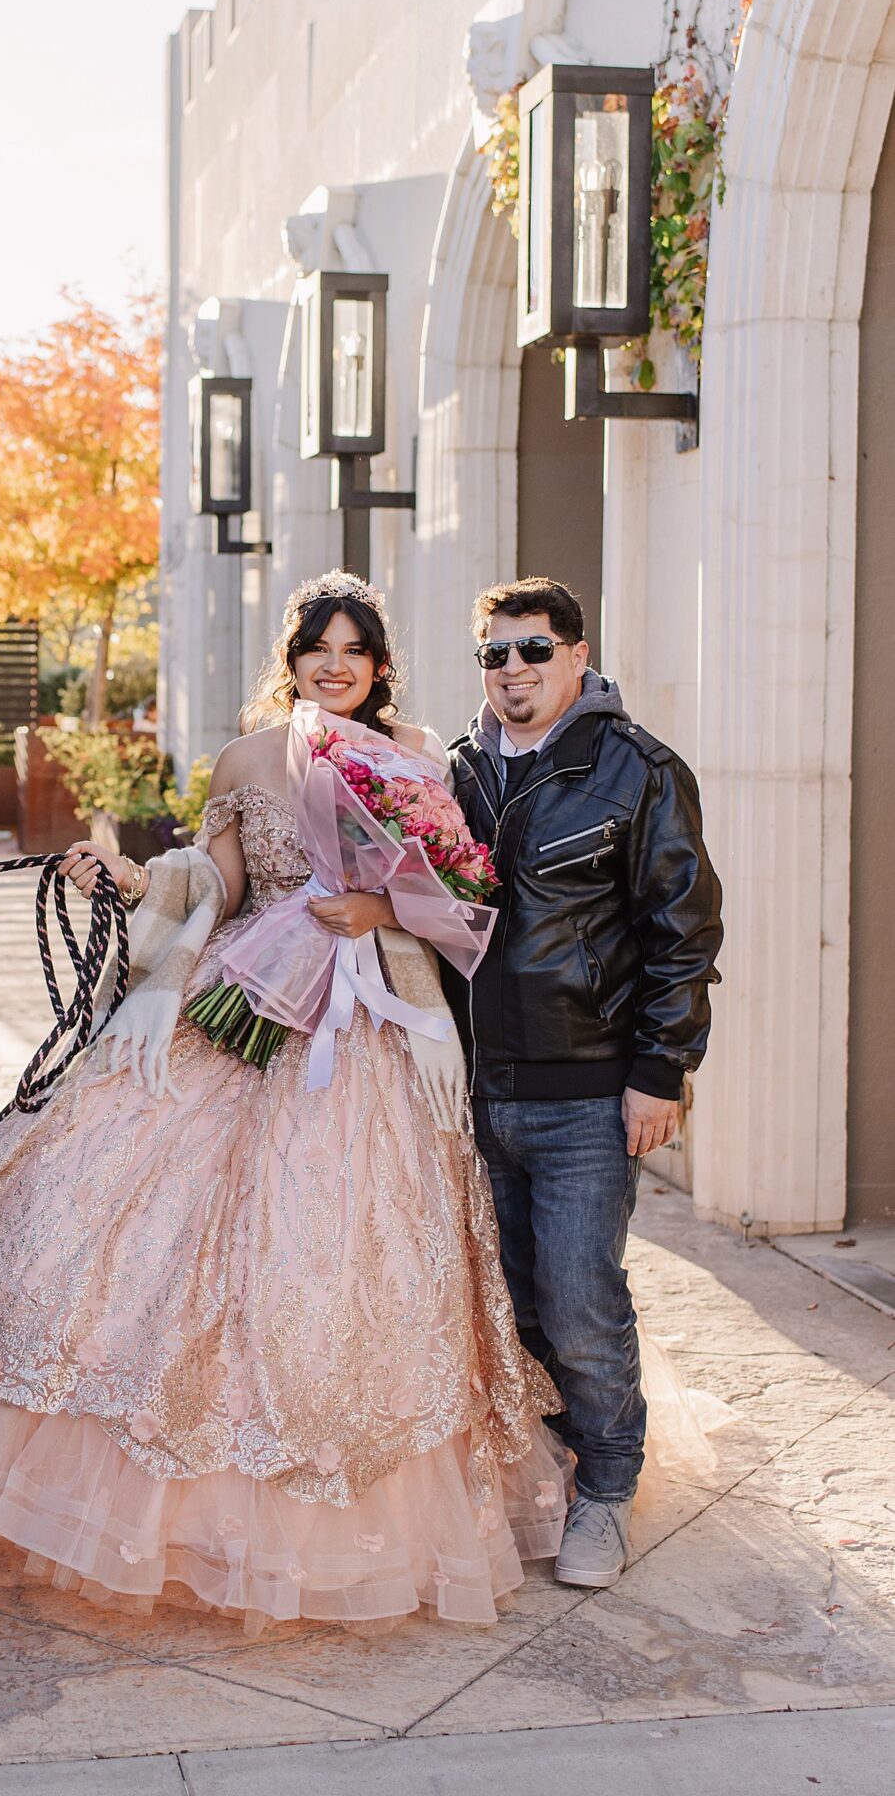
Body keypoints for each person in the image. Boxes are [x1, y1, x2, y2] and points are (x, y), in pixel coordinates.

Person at [0, 572, 570, 1631]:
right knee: (120, 1201)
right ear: (289, 661)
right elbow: (219, 883)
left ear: (380, 664)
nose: (333, 664)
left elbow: (455, 888)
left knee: (342, 1251)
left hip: (370, 1015)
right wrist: (125, 877)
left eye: (354, 648)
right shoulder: (250, 757)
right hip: (248, 992)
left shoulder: (421, 759)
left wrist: (378, 903)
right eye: (314, 648)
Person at [442, 576, 723, 1590]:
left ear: (576, 652)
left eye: (533, 650)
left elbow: (683, 934)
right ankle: (552, 1473)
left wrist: (660, 1072)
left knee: (580, 1298)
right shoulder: (455, 772)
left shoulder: (639, 770)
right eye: (495, 653)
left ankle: (608, 1488)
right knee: (509, 1302)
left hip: (587, 1097)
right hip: (477, 1094)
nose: (513, 670)